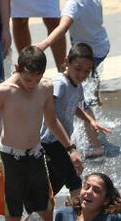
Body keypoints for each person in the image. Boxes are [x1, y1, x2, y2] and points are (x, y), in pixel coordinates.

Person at [0, 46, 81, 221]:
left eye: (36, 79)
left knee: (47, 214)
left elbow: (52, 121)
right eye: (27, 79)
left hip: (35, 157)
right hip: (10, 160)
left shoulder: (45, 88)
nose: (31, 85)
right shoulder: (4, 91)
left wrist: (71, 149)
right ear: (18, 68)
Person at [38, 0, 121, 73]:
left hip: (87, 54)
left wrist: (44, 44)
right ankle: (94, 90)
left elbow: (62, 28)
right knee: (91, 79)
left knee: (76, 81)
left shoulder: (74, 3)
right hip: (102, 46)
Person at [43, 44, 106, 194]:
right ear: (67, 62)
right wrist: (71, 149)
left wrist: (90, 120)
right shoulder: (60, 83)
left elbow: (73, 106)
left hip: (60, 141)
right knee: (75, 182)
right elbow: (46, 105)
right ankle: (78, 216)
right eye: (78, 69)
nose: (82, 74)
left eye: (87, 71)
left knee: (54, 182)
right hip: (50, 141)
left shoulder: (77, 86)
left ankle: (36, 213)